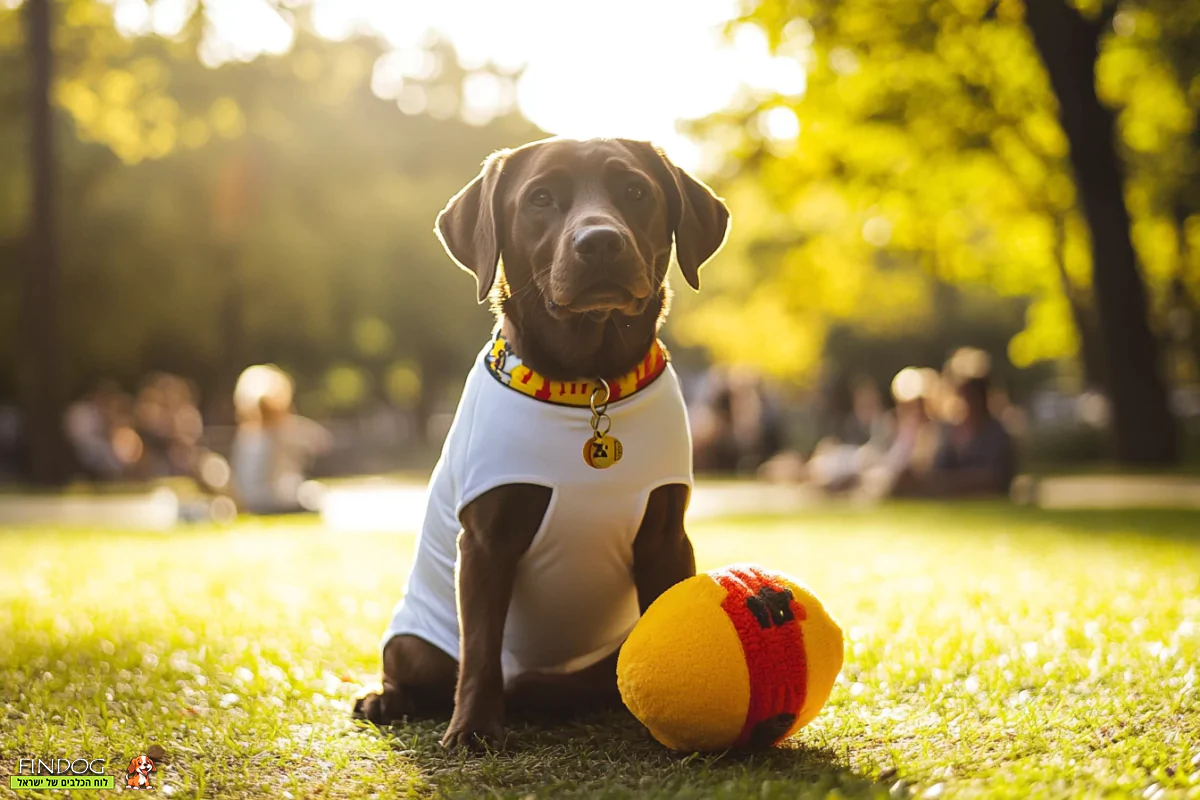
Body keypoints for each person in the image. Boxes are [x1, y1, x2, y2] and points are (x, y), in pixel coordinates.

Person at [230, 365, 332, 514]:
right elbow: (322, 441)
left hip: (253, 500)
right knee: (314, 493)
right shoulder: (279, 434)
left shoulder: (246, 436)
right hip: (272, 500)